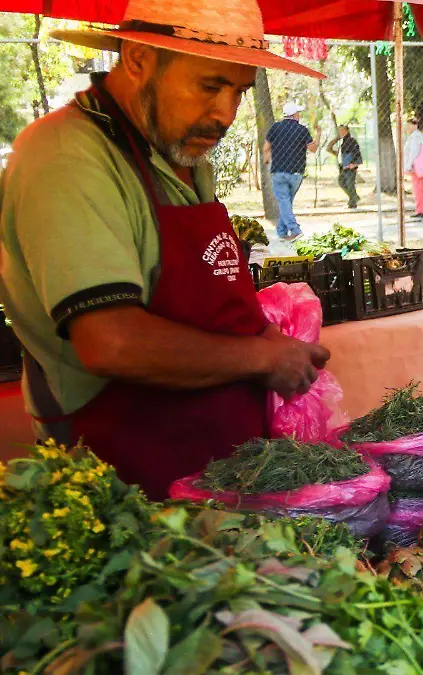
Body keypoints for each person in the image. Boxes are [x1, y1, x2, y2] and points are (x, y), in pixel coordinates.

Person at [0, 0, 331, 499]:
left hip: (217, 467)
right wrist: (261, 359)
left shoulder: (178, 147)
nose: (225, 114)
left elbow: (209, 287)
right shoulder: (66, 158)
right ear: (137, 59)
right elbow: (110, 341)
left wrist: (271, 339)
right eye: (210, 85)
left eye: (239, 91)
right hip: (127, 474)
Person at [264, 101, 317, 240]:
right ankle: (287, 231)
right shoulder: (302, 130)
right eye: (298, 112)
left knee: (284, 202)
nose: (299, 115)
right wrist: (319, 134)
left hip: (279, 171)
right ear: (294, 114)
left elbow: (266, 147)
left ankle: (289, 230)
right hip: (296, 173)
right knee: (286, 202)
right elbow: (313, 149)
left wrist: (267, 160)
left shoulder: (275, 128)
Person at [327, 124, 363, 209]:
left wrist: (354, 164)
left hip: (350, 167)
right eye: (339, 131)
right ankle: (354, 198)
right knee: (342, 182)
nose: (340, 132)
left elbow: (357, 153)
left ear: (347, 131)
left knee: (350, 184)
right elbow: (329, 148)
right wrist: (336, 138)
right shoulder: (341, 141)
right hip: (343, 167)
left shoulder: (351, 141)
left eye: (342, 130)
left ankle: (353, 203)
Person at [402, 118, 423, 218]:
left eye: (409, 125)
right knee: (420, 188)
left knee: (417, 189)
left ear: (415, 125)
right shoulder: (416, 136)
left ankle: (420, 210)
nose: (407, 127)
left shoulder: (415, 136)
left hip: (415, 166)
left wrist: (409, 165)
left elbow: (414, 152)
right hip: (417, 165)